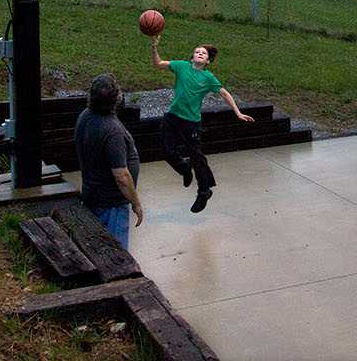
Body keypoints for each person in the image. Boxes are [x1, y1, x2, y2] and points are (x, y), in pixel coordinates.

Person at [150, 36, 253, 213]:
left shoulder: (208, 78)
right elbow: (158, 63)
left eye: (203, 53)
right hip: (173, 117)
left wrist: (238, 112)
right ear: (192, 58)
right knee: (167, 152)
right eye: (197, 52)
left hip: (191, 122)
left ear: (208, 61)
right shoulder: (181, 66)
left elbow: (225, 94)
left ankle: (204, 191)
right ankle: (184, 167)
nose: (199, 53)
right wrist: (154, 47)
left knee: (197, 157)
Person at [73, 73, 143, 247]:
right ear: (116, 99)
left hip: (94, 196)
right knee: (117, 257)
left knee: (99, 251)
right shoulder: (112, 130)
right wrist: (136, 203)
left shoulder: (85, 116)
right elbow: (121, 175)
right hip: (111, 205)